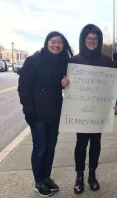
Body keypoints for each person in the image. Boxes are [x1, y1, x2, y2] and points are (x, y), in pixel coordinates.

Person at [62, 24, 116, 194]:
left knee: (96, 143)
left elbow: (114, 84)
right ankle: (79, 176)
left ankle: (92, 174)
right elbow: (67, 84)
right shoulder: (74, 61)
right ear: (83, 40)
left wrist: (115, 101)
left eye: (95, 38)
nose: (92, 41)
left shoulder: (107, 61)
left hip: (99, 111)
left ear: (99, 41)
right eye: (89, 38)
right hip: (81, 111)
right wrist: (64, 83)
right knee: (81, 143)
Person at [18, 31, 73, 197]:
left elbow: (68, 85)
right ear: (47, 42)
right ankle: (39, 182)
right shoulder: (33, 61)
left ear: (63, 46)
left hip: (55, 111)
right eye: (53, 41)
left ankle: (47, 177)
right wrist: (29, 111)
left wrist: (66, 83)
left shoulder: (64, 62)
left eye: (60, 43)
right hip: (38, 113)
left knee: (50, 148)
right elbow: (23, 88)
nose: (56, 45)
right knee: (40, 148)